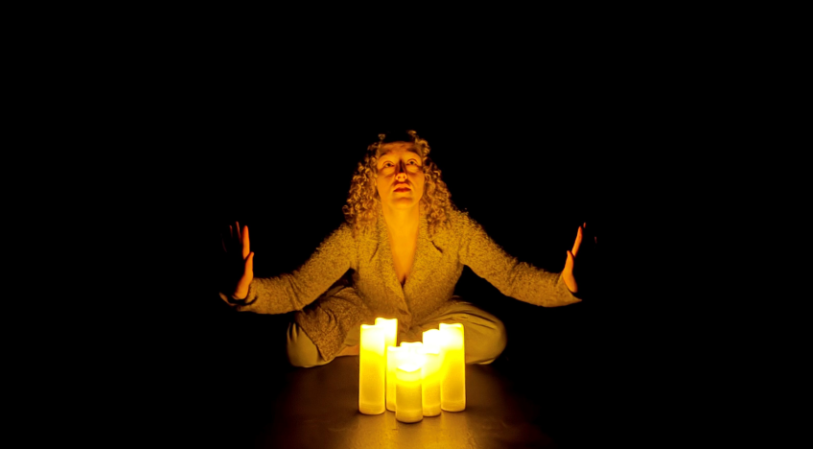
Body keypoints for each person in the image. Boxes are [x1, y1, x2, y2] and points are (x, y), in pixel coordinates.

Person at [220, 131, 589, 367]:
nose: (400, 171)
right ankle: (400, 348)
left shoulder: (456, 228)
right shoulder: (355, 233)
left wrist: (565, 287)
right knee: (298, 348)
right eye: (387, 164)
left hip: (432, 315)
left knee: (494, 336)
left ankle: (384, 350)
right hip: (363, 311)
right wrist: (245, 293)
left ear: (425, 175)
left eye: (411, 162)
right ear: (372, 181)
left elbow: (510, 277)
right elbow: (298, 288)